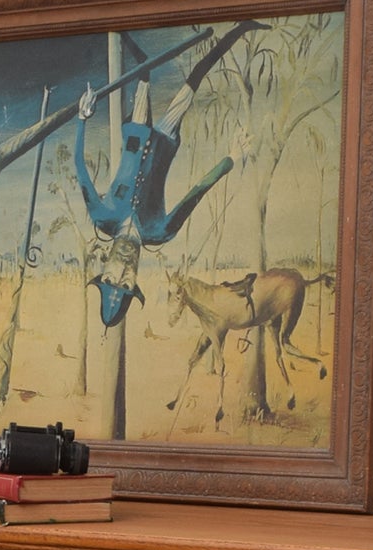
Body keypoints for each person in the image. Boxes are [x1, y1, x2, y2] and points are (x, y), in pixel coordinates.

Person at [75, 20, 263, 327]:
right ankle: (240, 28)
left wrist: (83, 118)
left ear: (103, 269)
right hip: (163, 140)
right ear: (135, 280)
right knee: (195, 78)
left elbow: (80, 170)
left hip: (136, 134)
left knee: (144, 73)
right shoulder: (160, 232)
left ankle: (121, 31)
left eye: (111, 278)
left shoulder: (103, 217)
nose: (122, 270)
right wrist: (230, 159)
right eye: (127, 283)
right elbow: (196, 192)